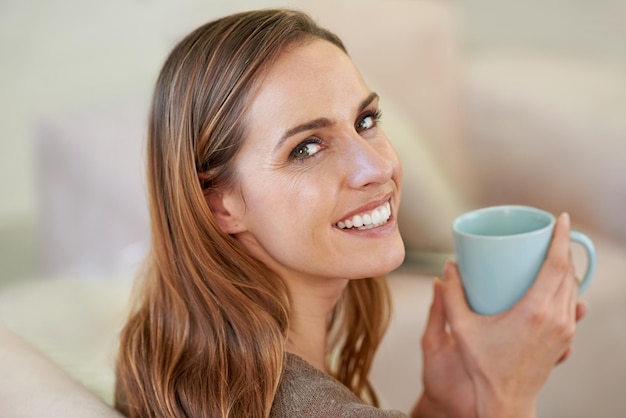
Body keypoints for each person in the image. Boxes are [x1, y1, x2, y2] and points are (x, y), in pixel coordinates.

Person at [114, 9, 586, 418]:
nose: (378, 167)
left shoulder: (168, 359)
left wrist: (444, 406)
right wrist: (509, 391)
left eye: (366, 122)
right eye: (307, 147)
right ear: (219, 203)